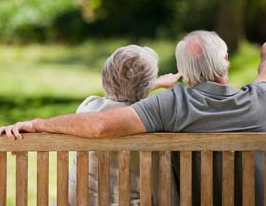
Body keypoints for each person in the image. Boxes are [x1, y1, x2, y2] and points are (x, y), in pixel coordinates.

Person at [0, 30, 266, 206]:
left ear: (184, 69)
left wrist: (38, 123)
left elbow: (100, 123)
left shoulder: (171, 105)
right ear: (225, 61)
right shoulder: (263, 101)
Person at [61, 44, 181, 206]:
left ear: (106, 78)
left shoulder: (86, 110)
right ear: (146, 85)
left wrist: (151, 84)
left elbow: (118, 98)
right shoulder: (152, 120)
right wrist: (154, 85)